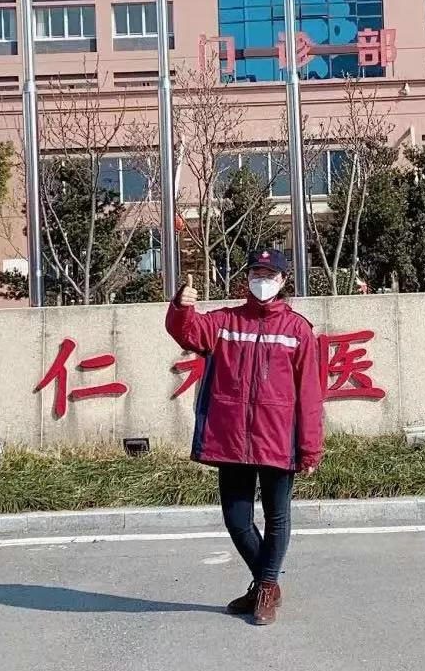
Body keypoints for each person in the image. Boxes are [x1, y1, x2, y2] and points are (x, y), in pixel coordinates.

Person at [165, 249, 324, 625]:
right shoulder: (225, 322)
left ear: (283, 280)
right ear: (247, 278)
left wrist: (310, 448)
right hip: (231, 439)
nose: (262, 280)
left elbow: (310, 394)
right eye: (256, 273)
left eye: (269, 274)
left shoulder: (297, 330)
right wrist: (181, 306)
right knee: (237, 520)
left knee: (277, 517)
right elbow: (187, 332)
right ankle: (267, 582)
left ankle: (264, 588)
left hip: (277, 438)